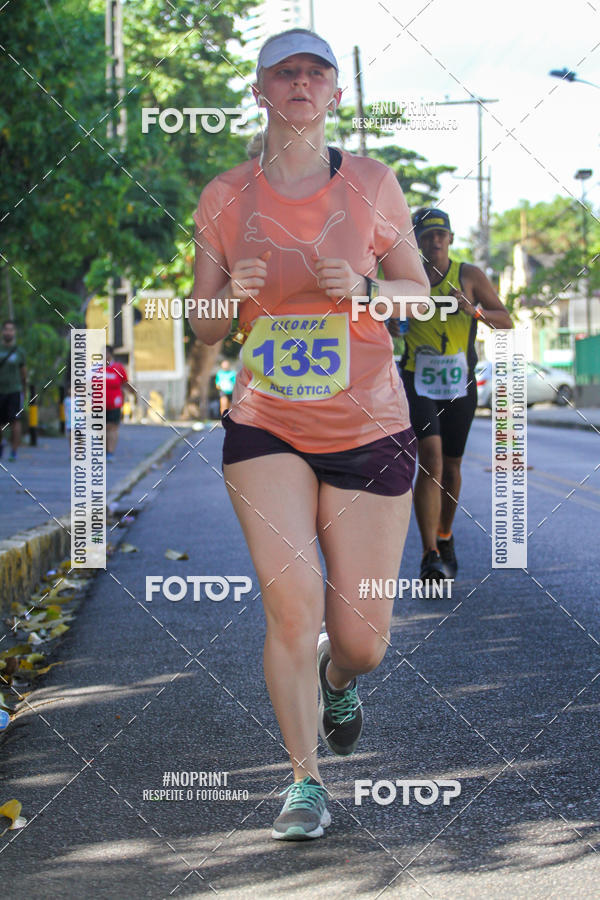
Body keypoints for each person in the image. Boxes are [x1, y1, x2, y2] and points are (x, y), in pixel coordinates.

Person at [191, 28, 430, 841]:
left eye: (315, 72)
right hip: (268, 423)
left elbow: (417, 291)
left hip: (369, 423)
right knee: (291, 608)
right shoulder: (226, 195)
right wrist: (230, 297)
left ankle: (339, 678)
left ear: (336, 94)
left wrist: (365, 286)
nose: (301, 82)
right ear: (259, 90)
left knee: (362, 641)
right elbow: (204, 325)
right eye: (284, 72)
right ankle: (304, 783)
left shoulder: (372, 182)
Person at [400, 208, 512, 582]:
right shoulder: (406, 278)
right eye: (427, 235)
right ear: (416, 241)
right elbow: (382, 317)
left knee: (451, 467)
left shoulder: (469, 276)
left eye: (440, 235)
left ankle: (445, 535)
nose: (435, 241)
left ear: (450, 238)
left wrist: (474, 310)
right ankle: (429, 552)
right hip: (418, 381)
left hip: (459, 383)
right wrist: (391, 321)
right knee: (430, 459)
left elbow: (506, 321)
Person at [0, 320, 27, 462]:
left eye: (11, 330)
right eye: (6, 329)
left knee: (15, 421)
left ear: (14, 332)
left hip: (14, 391)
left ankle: (14, 451)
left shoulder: (19, 352)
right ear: (2, 331)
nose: (8, 332)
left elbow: (23, 373)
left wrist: (24, 390)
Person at [104, 346, 131, 461]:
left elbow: (125, 383)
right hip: (98, 404)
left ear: (110, 354)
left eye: (105, 353)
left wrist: (133, 393)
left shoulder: (118, 368)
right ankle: (104, 451)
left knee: (112, 428)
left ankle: (110, 452)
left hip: (114, 403)